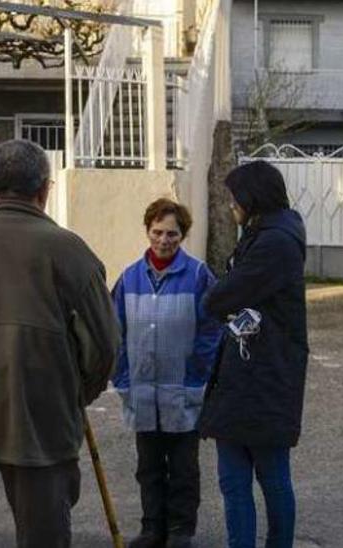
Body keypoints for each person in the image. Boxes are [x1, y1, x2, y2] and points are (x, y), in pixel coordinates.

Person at [0, 140, 120, 548]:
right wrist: (75, 394)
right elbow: (104, 348)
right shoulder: (69, 251)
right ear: (44, 190)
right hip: (39, 418)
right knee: (43, 536)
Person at [197, 161, 309, 548]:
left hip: (262, 377)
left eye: (234, 198)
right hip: (249, 376)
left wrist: (218, 297)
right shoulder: (268, 233)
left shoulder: (274, 241)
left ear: (251, 198)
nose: (231, 206)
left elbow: (222, 297)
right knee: (235, 480)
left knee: (270, 478)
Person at [112, 198, 222, 548]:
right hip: (142, 392)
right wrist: (123, 379)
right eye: (157, 232)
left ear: (183, 235)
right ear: (147, 231)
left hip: (183, 391)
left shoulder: (199, 275)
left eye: (172, 234)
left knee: (184, 468)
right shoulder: (129, 278)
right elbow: (115, 332)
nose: (163, 240)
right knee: (148, 468)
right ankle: (151, 529)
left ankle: (179, 531)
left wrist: (197, 376)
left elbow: (211, 330)